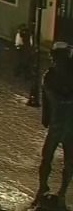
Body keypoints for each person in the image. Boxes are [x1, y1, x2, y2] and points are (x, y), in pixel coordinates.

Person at [39, 43, 73, 199]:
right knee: (47, 156)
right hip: (58, 122)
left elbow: (50, 97)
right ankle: (44, 188)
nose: (55, 61)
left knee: (68, 159)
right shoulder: (50, 75)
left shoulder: (54, 74)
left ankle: (61, 192)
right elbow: (47, 97)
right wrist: (46, 116)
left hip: (67, 123)